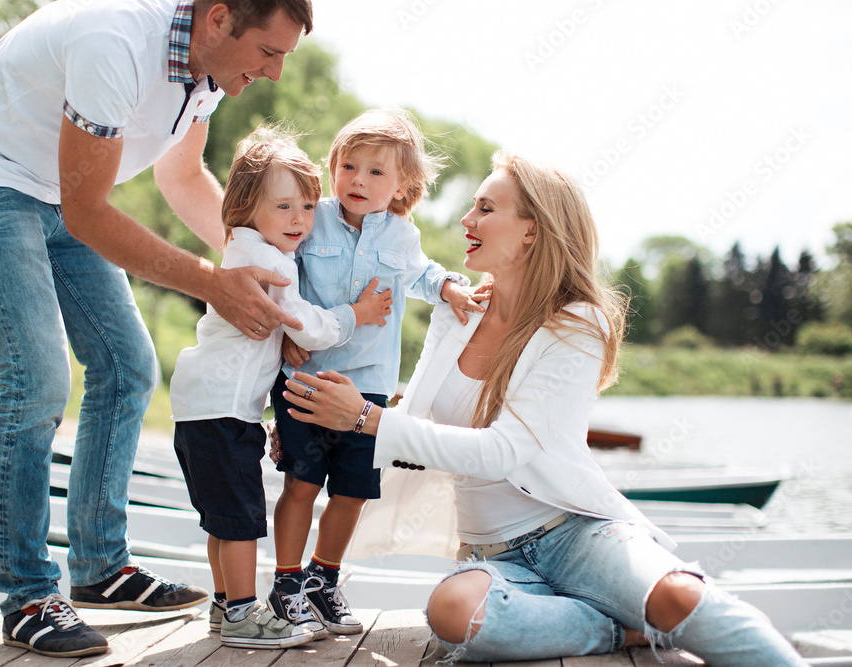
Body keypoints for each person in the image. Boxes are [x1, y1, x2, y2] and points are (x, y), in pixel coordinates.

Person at [274, 153, 808, 666]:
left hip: (577, 534)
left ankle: (649, 614)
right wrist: (315, 421)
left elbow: (502, 452)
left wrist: (363, 419)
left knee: (677, 596)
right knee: (452, 613)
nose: (466, 219)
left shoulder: (577, 323)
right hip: (491, 556)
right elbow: (413, 420)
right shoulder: (459, 311)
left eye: (485, 208)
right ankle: (620, 627)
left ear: (532, 231)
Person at [0, 0, 314, 658]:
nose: (274, 72)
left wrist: (265, 277)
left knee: (128, 367)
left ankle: (100, 565)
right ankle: (27, 595)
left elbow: (181, 176)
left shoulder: (210, 70)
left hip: (59, 189)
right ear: (219, 19)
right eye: (268, 52)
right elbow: (88, 213)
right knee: (37, 381)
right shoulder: (117, 43)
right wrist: (215, 284)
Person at [168, 127, 391, 649]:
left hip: (202, 404)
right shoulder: (270, 261)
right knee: (242, 520)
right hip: (223, 408)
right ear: (246, 206)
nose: (300, 220)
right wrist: (357, 314)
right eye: (285, 206)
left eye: (309, 207)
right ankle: (244, 614)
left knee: (223, 518)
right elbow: (306, 326)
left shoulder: (243, 246)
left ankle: (225, 605)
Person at [266, 108, 486, 638]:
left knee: (353, 491)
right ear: (333, 168)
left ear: (402, 185)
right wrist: (283, 333)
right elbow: (279, 273)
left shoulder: (402, 236)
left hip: (368, 389)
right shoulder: (311, 218)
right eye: (349, 166)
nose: (358, 180)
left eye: (375, 171)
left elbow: (423, 274)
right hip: (308, 378)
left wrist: (450, 287)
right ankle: (286, 581)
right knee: (301, 482)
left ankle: (323, 578)